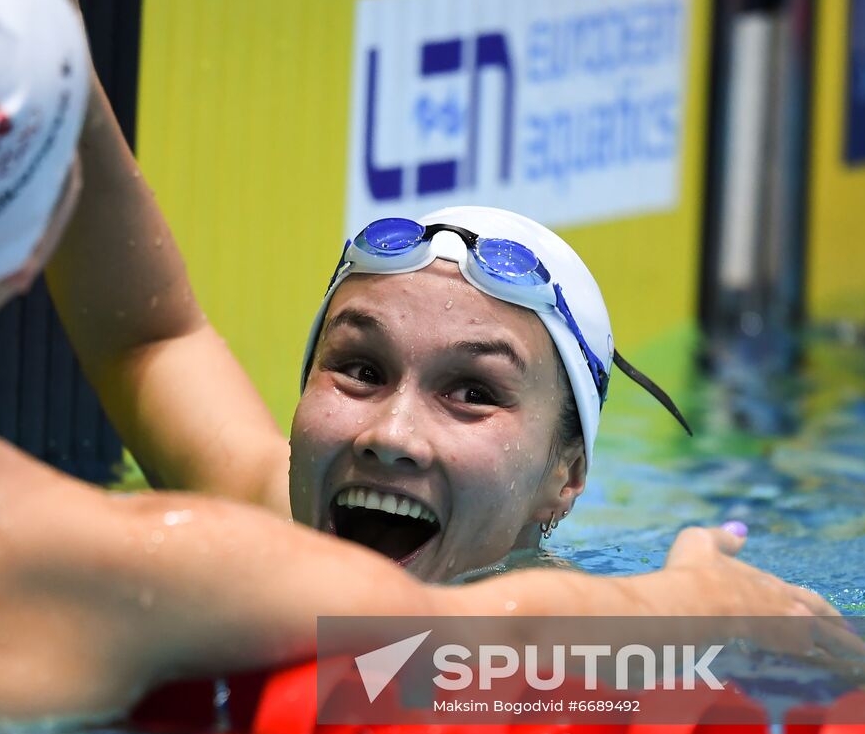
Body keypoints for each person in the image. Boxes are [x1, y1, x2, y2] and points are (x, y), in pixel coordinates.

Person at [0, 0, 852, 734]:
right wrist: (694, 606)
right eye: (354, 365)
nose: (392, 430)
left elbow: (155, 336)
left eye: (471, 392)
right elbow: (442, 656)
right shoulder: (105, 558)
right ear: (33, 243)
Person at [290, 206, 690, 583]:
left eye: (473, 394)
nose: (391, 437)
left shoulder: (594, 650)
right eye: (362, 372)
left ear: (566, 477)